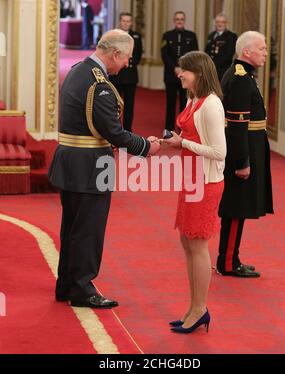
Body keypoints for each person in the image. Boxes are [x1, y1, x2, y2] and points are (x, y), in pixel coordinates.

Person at [48, 29, 160, 308]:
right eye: (127, 59)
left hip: (70, 161)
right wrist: (146, 146)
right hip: (90, 166)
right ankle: (83, 289)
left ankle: (67, 284)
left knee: (72, 227)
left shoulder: (78, 70)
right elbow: (115, 133)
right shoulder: (99, 85)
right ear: (115, 54)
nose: (126, 65)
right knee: (89, 230)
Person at [163, 51, 226, 333]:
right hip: (190, 180)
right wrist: (172, 143)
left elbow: (218, 152)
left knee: (198, 244)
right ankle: (193, 307)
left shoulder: (211, 105)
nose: (180, 74)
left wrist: (183, 144)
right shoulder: (193, 100)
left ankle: (200, 309)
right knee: (187, 243)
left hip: (206, 182)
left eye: (184, 70)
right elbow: (188, 138)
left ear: (199, 73)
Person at [217, 31, 274, 278]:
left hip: (250, 147)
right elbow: (238, 125)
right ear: (246, 52)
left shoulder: (245, 74)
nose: (265, 53)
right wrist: (243, 162)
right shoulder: (240, 78)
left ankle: (232, 258)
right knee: (236, 207)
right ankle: (228, 263)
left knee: (239, 208)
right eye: (261, 49)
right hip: (243, 151)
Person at [161, 11, 198, 133]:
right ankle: (168, 129)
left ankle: (183, 128)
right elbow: (164, 55)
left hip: (187, 75)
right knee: (170, 102)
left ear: (184, 20)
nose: (179, 21)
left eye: (182, 19)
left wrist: (184, 69)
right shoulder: (167, 35)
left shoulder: (191, 36)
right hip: (171, 74)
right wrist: (175, 68)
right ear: (174, 20)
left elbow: (194, 55)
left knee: (185, 102)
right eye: (177, 19)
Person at [110, 12, 143, 132]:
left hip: (130, 76)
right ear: (120, 22)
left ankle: (128, 130)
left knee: (129, 105)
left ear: (131, 23)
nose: (126, 23)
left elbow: (139, 54)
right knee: (116, 105)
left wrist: (131, 63)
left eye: (128, 21)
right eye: (123, 21)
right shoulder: (114, 36)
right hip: (116, 75)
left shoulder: (136, 36)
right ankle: (116, 130)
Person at [205, 13, 237, 81]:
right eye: (217, 22)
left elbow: (229, 54)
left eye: (222, 22)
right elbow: (207, 52)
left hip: (223, 71)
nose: (220, 24)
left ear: (226, 23)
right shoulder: (211, 35)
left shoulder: (231, 36)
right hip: (211, 71)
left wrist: (214, 65)